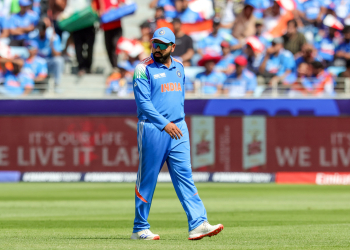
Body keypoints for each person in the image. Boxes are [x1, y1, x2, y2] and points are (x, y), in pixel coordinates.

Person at [131, 27, 223, 240]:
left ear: (172, 47)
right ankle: (140, 227)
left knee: (185, 175)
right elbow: (143, 103)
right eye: (155, 43)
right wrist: (165, 124)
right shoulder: (142, 69)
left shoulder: (180, 66)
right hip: (153, 128)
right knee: (148, 178)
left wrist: (176, 123)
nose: (157, 48)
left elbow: (179, 98)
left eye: (163, 44)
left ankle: (198, 223)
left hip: (179, 128)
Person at [32, 20, 64, 91]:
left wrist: (51, 44)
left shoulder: (54, 37)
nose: (40, 32)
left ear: (45, 29)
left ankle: (57, 84)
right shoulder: (34, 38)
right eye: (39, 30)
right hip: (37, 63)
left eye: (42, 30)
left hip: (48, 62)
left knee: (59, 60)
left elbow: (58, 54)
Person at [95, 0, 123, 69]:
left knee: (115, 46)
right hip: (106, 28)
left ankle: (117, 66)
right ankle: (114, 67)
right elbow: (96, 10)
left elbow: (124, 4)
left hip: (117, 26)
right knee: (108, 48)